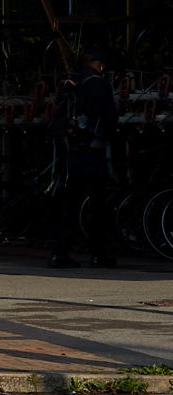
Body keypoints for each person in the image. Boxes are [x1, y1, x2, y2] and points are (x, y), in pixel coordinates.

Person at [51, 49, 121, 268]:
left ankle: (59, 252)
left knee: (70, 205)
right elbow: (109, 118)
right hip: (94, 152)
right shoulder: (100, 85)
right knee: (98, 207)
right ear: (98, 64)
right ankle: (99, 253)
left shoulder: (70, 83)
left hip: (71, 152)